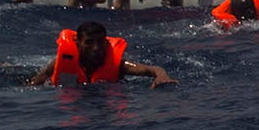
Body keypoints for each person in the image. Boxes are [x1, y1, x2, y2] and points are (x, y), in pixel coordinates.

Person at [27, 21, 176, 88]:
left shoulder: (120, 66)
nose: (96, 48)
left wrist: (162, 76)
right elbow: (34, 84)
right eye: (89, 42)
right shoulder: (60, 62)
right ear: (78, 44)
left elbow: (153, 69)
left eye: (100, 42)